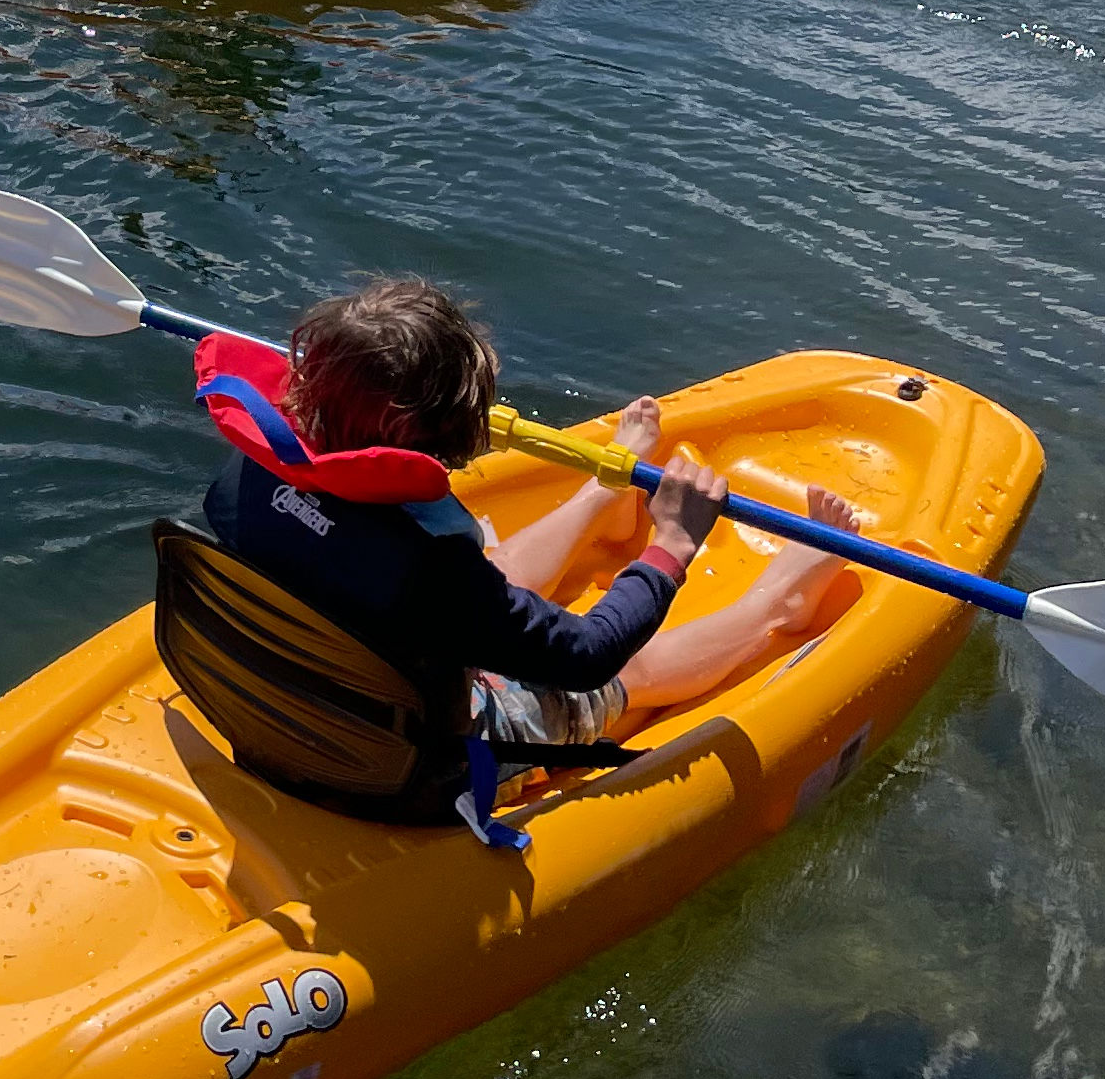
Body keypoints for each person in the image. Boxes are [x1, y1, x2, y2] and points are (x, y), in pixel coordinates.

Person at [156, 271, 867, 844]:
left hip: (296, 714)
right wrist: (672, 543)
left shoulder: (244, 480)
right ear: (447, 435)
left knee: (485, 585)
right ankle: (780, 603)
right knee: (628, 674)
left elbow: (423, 578)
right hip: (412, 771)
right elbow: (590, 651)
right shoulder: (429, 569)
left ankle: (600, 491)